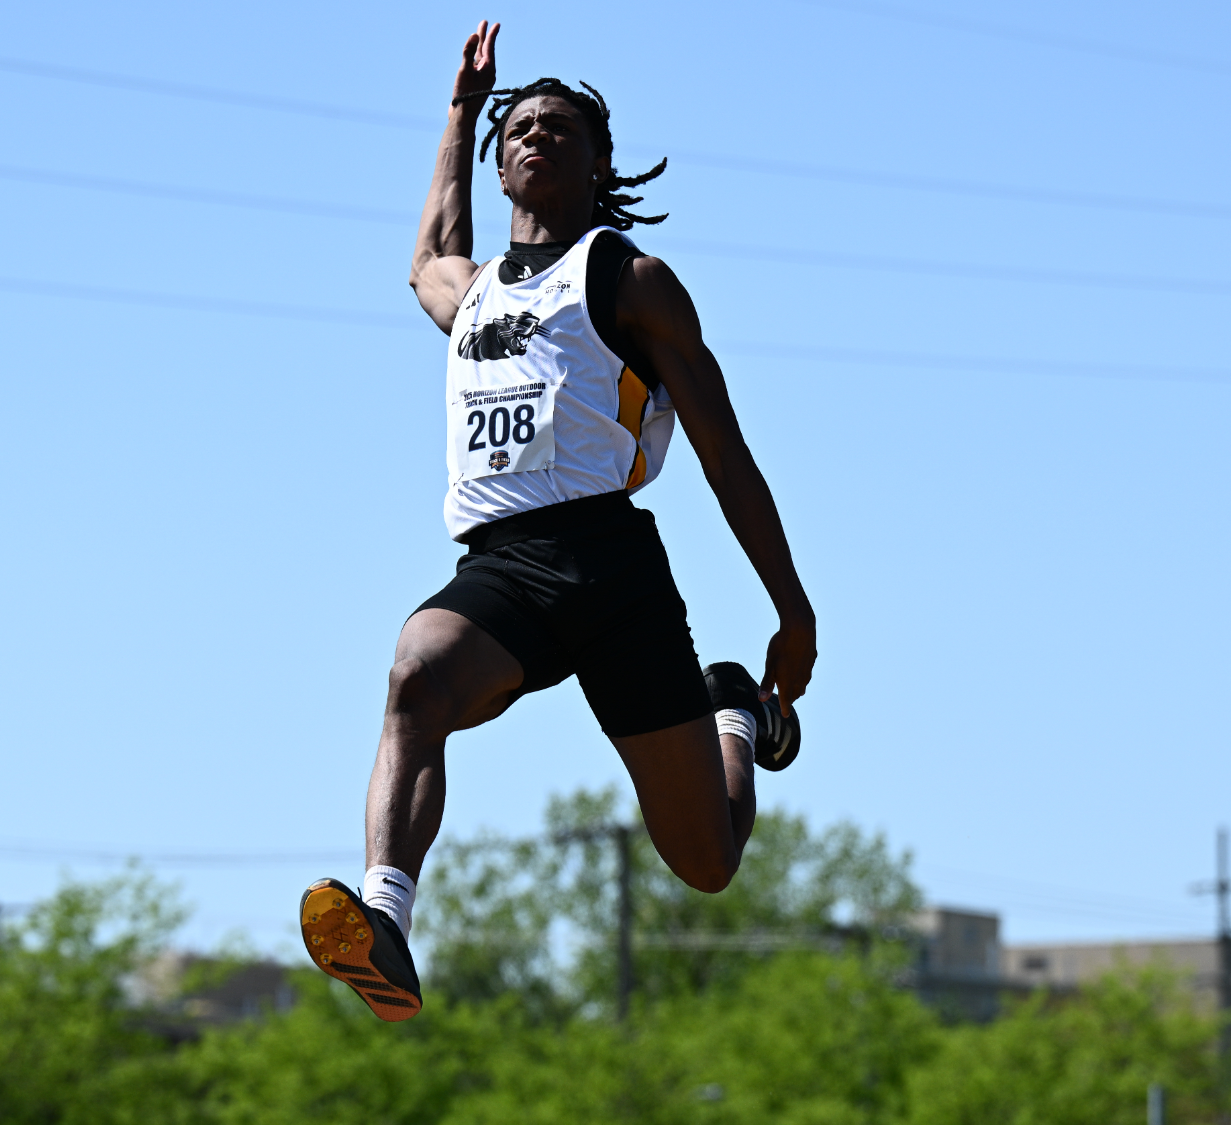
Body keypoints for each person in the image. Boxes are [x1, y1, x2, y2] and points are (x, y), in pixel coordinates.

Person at [298, 21, 817, 1022]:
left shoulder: (631, 283)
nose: (535, 135)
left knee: (704, 863)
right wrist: (458, 110)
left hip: (609, 565)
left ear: (596, 165)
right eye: (520, 127)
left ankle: (730, 717)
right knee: (414, 672)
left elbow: (725, 457)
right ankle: (386, 921)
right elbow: (426, 257)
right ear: (498, 166)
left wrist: (791, 612)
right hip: (500, 567)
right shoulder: (472, 294)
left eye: (560, 129)